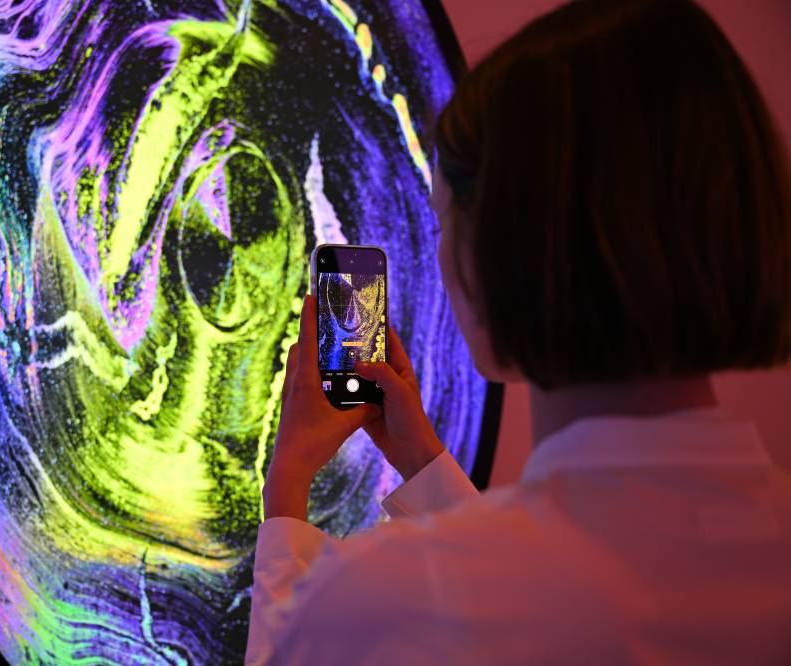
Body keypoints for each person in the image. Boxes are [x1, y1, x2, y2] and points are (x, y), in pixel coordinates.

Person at [245, 0, 791, 663]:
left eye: (444, 222)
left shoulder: (391, 597)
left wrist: (286, 489)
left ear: (497, 250)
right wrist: (423, 463)